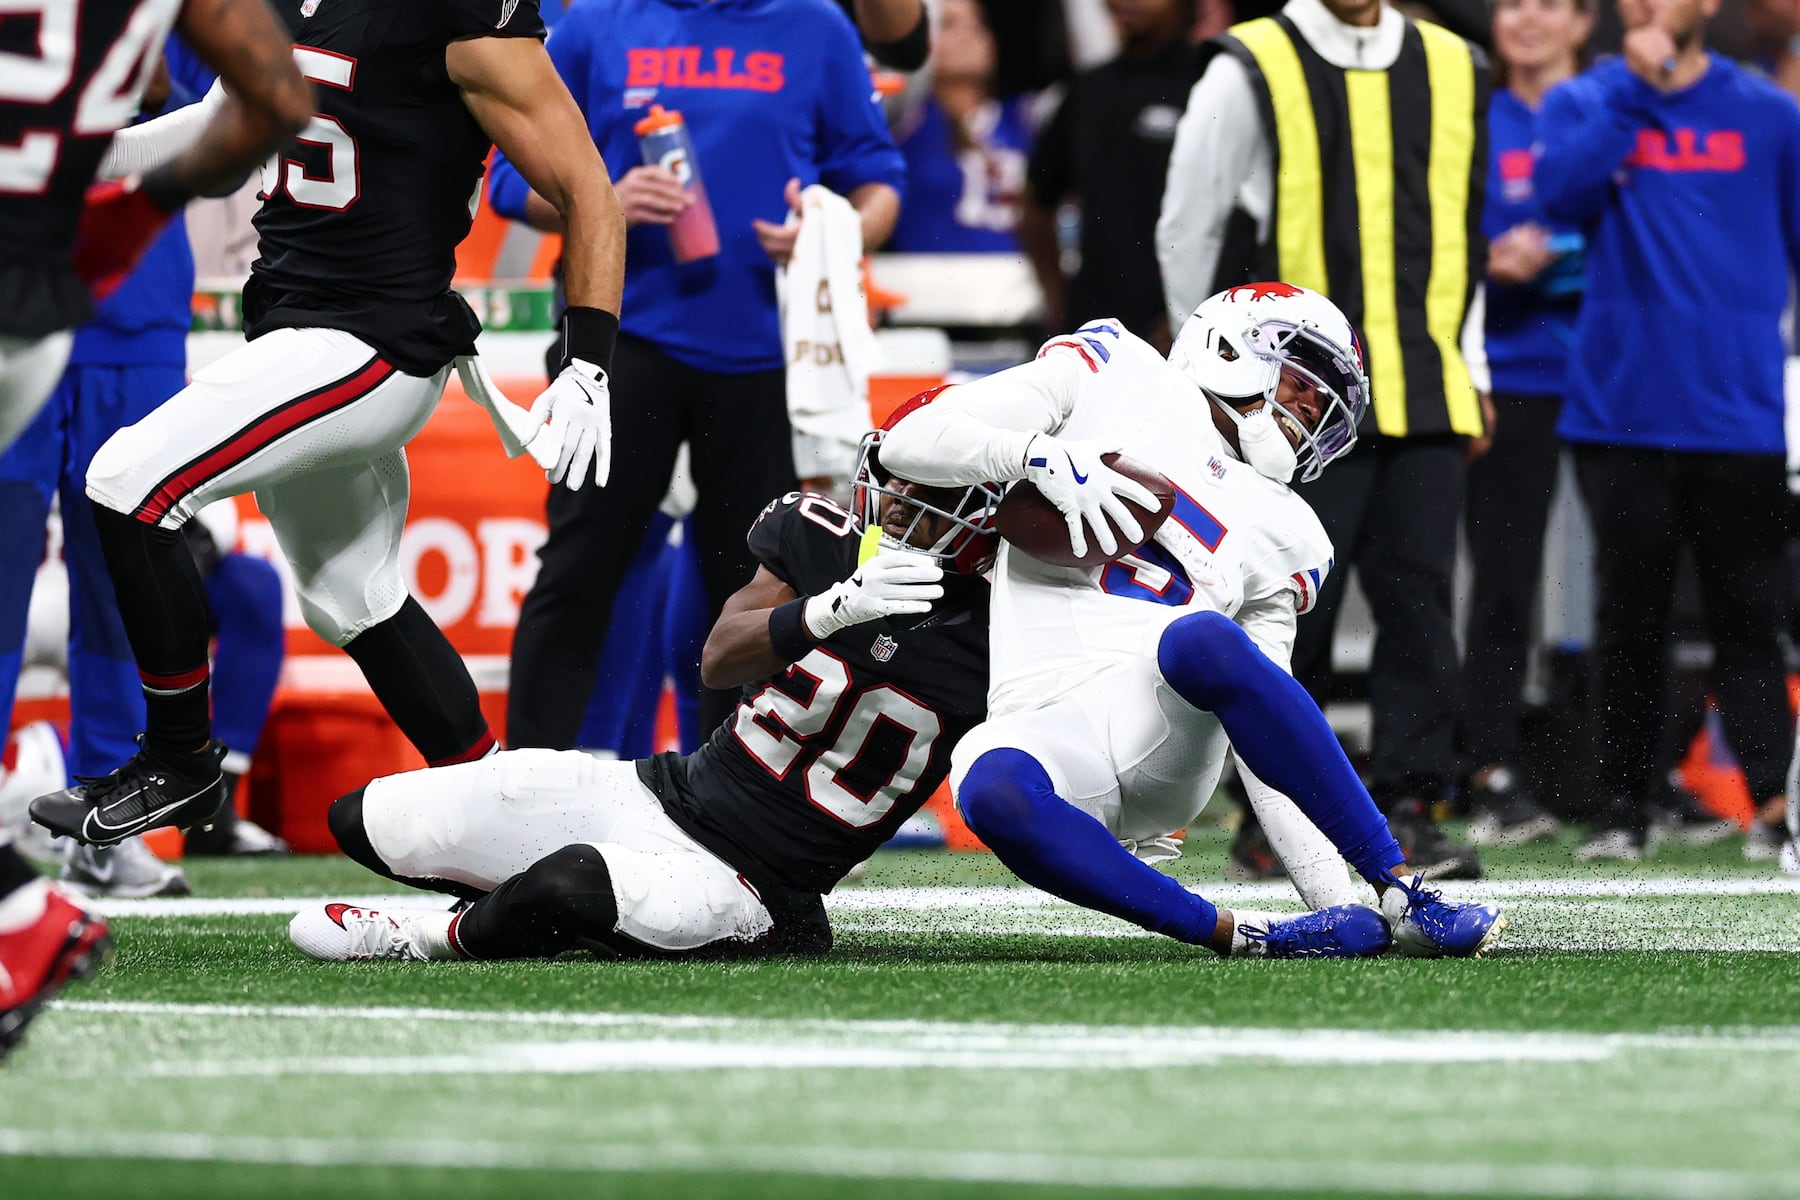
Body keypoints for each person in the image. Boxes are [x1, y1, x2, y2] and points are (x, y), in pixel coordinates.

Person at [28, 0, 629, 855]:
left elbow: (587, 189)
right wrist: (69, 159)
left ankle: (181, 757)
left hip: (374, 339)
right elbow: (218, 119)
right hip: (295, 328)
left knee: (128, 484)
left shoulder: (453, 13)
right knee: (356, 599)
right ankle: (511, 827)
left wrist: (589, 359)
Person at [879, 284, 1505, 958]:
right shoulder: (1112, 365)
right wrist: (1036, 456)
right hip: (1045, 717)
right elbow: (908, 441)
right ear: (1231, 344)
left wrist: (1341, 897)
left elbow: (1272, 739)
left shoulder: (1292, 529)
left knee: (1203, 639)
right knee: (988, 784)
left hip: (1164, 731)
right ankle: (1241, 936)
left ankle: (1404, 890)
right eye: (1301, 378)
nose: (1309, 406)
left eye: (1323, 401)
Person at [290, 420, 995, 961]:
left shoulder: (1005, 634)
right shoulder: (826, 544)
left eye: (931, 494)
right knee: (368, 817)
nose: (899, 504)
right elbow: (719, 660)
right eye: (897, 482)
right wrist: (832, 610)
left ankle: (421, 939)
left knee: (569, 884)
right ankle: (527, 903)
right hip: (664, 790)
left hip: (758, 884)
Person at [0, 0, 311, 1059]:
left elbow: (233, 108)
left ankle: (100, 819)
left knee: (118, 569)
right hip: (64, 269)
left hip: (123, 297)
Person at [490, 0, 906, 750]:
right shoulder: (596, 25)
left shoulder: (816, 27)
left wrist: (830, 229)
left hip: (766, 358)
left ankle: (729, 801)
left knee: (751, 586)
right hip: (617, 342)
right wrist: (600, 201)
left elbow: (877, 182)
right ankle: (520, 785)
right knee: (580, 573)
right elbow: (503, 180)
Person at [1156, 0, 1491, 881]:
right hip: (1290, 401)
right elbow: (1189, 218)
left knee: (1421, 603)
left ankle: (1414, 804)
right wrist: (1199, 368)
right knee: (1291, 603)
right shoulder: (1252, 61)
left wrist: (1475, 364)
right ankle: (1276, 813)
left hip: (1427, 380)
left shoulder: (1457, 64)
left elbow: (1465, 223)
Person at [1533, 0, 1800, 861]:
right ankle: (1623, 806)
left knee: (1750, 619)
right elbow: (1559, 198)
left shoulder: (1769, 114)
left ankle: (1772, 805)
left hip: (1740, 409)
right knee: (1629, 620)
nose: (1649, 6)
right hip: (1623, 412)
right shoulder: (1591, 99)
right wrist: (1632, 97)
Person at [1455, 0, 1594, 848]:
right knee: (1505, 583)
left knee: (1635, 583)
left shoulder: (1615, 112)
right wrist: (1487, 261)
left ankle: (1633, 779)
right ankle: (1492, 768)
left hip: (1622, 379)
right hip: (1511, 376)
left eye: (1548, 3)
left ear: (1585, 22)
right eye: (1511, 4)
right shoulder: (1474, 116)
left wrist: (1562, 255)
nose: (1527, 20)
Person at [1023, 0, 1200, 347]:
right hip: (1091, 330)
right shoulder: (1085, 90)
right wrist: (1057, 299)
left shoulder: (1209, 85)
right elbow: (1036, 204)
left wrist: (1189, 312)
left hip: (1187, 333)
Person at [885, 0, 1033, 254]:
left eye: (979, 24)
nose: (969, 35)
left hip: (1017, 282)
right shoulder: (907, 118)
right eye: (949, 24)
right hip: (926, 281)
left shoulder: (1025, 116)